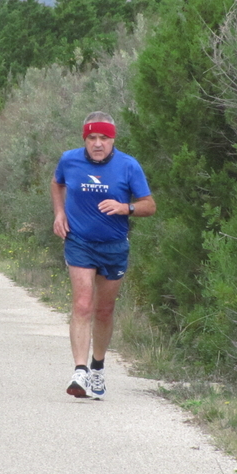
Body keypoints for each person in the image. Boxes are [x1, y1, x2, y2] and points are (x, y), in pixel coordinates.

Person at [51, 111, 156, 400]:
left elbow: (149, 205)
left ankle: (97, 366)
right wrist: (59, 213)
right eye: (92, 138)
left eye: (104, 138)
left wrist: (126, 208)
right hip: (79, 242)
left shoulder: (128, 166)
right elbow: (57, 183)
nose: (98, 143)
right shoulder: (69, 160)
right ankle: (80, 371)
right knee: (83, 305)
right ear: (84, 139)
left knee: (104, 310)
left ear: (113, 139)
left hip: (114, 245)